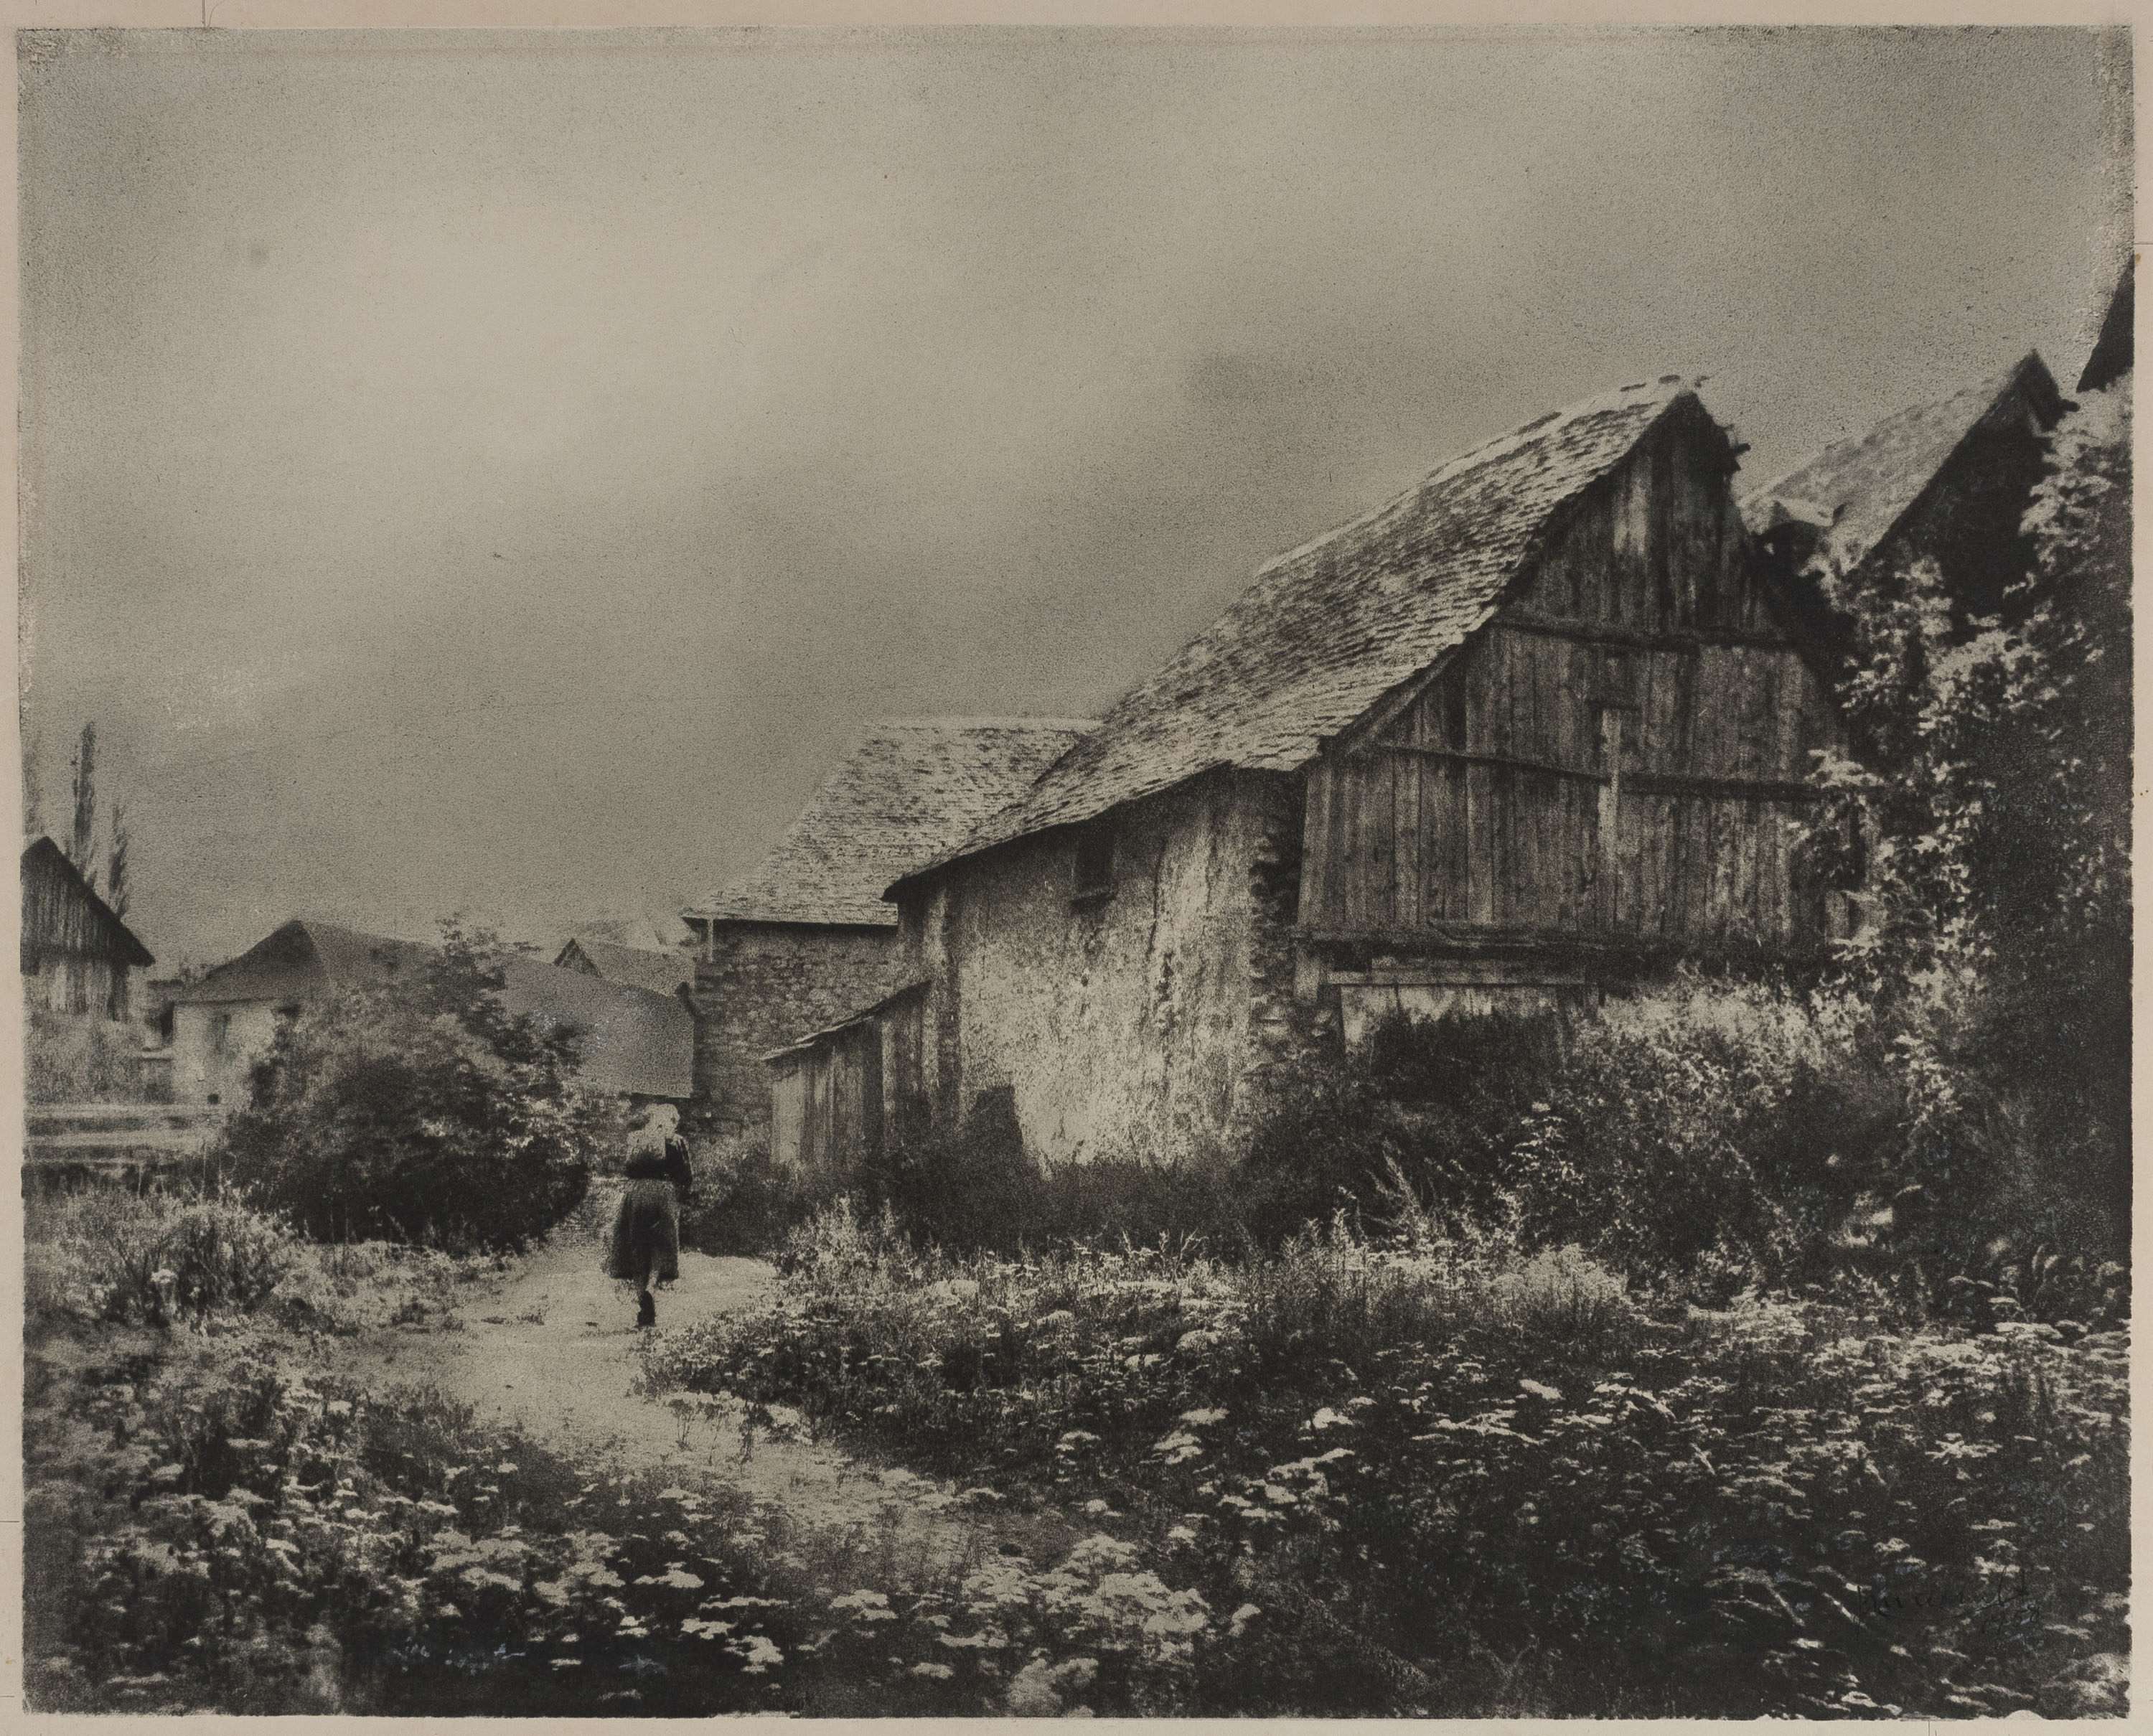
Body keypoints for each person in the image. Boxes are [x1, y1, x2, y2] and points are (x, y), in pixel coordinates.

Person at [606, 1104, 693, 1328]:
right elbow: (686, 1175)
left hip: (636, 1195)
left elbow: (627, 1168)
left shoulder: (636, 1139)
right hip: (664, 1195)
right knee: (659, 1248)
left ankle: (642, 1306)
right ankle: (650, 1289)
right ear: (672, 1120)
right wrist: (682, 1194)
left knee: (636, 1247)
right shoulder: (676, 1140)